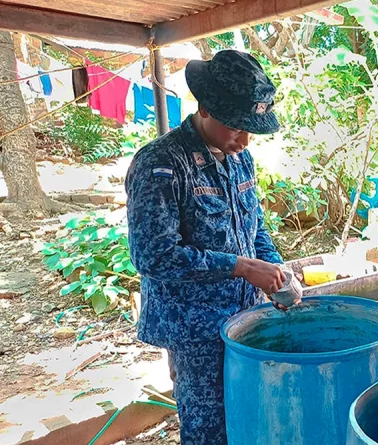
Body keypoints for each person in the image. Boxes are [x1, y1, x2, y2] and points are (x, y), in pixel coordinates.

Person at [126, 50, 298, 444]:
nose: (245, 138)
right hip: (195, 330)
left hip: (244, 317)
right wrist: (240, 267)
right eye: (236, 126)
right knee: (210, 431)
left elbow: (255, 228)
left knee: (250, 418)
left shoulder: (241, 160)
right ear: (204, 108)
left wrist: (274, 269)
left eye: (250, 128)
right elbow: (154, 256)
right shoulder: (161, 164)